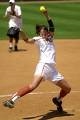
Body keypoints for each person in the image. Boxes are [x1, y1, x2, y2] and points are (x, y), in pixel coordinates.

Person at [3, 8, 71, 112]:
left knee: (67, 89)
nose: (45, 33)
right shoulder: (38, 39)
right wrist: (21, 31)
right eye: (43, 32)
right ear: (39, 33)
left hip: (52, 70)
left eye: (46, 31)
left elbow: (52, 25)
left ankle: (58, 100)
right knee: (33, 86)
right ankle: (12, 99)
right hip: (44, 65)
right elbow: (26, 40)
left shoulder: (50, 37)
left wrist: (46, 14)